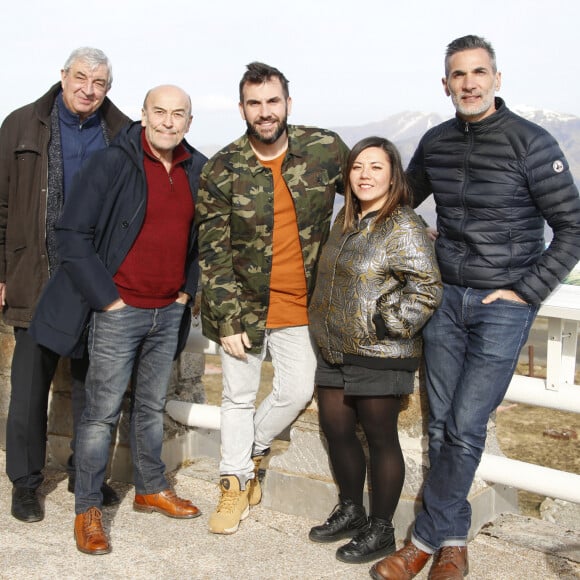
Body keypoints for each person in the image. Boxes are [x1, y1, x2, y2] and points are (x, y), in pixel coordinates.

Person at [371, 35, 580, 580]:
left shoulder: (530, 143)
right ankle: (453, 542)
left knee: (466, 424)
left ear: (496, 79)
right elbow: (401, 201)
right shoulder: (437, 141)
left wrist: (527, 290)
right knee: (441, 424)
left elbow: (573, 227)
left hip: (501, 306)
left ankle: (420, 542)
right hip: (445, 299)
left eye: (478, 73)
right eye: (458, 75)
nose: (469, 83)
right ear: (445, 84)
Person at [28, 85, 207, 555]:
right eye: (160, 112)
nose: (169, 122)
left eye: (179, 114)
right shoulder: (114, 161)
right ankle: (87, 507)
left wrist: (187, 291)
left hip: (167, 311)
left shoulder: (197, 168)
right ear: (144, 115)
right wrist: (108, 300)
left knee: (150, 407)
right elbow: (71, 233)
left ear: (190, 121)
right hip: (119, 310)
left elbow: (202, 239)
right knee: (100, 415)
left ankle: (150, 487)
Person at [196, 62, 349, 535]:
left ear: (288, 102)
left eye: (273, 101)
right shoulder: (222, 168)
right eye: (255, 103)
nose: (265, 112)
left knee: (298, 388)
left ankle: (251, 452)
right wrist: (226, 319)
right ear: (242, 107)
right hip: (242, 309)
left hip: (304, 305)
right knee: (237, 398)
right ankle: (233, 484)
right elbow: (213, 252)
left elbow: (370, 195)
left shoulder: (325, 150)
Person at [0, 47, 130, 523]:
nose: (88, 89)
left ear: (108, 88)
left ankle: (85, 473)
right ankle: (26, 484)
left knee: (94, 390)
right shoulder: (19, 125)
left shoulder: (123, 134)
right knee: (30, 391)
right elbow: (1, 206)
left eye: (98, 82)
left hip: (97, 283)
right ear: (63, 76)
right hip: (35, 276)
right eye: (80, 78)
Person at [307, 137, 442, 564]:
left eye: (376, 167)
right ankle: (351, 510)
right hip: (335, 348)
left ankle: (381, 530)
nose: (365, 175)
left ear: (393, 175)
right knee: (337, 430)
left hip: (380, 351)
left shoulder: (402, 224)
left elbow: (426, 286)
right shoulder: (345, 220)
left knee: (381, 439)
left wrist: (387, 323)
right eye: (357, 167)